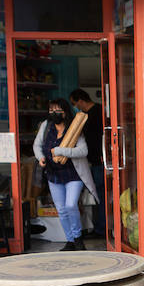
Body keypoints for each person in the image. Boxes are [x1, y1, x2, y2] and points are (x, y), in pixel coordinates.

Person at [34, 98, 97, 251]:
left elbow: (83, 151)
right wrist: (40, 157)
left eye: (57, 111)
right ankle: (70, 240)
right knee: (61, 209)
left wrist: (61, 151)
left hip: (73, 174)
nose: (54, 114)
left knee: (70, 205)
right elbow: (37, 145)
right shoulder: (46, 126)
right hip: (53, 175)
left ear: (65, 112)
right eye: (51, 111)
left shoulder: (74, 128)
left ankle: (78, 238)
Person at [70, 88, 107, 241]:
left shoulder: (96, 113)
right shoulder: (87, 114)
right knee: (98, 195)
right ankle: (99, 227)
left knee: (100, 195)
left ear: (80, 100)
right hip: (93, 160)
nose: (75, 106)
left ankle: (101, 228)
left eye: (74, 103)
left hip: (99, 161)